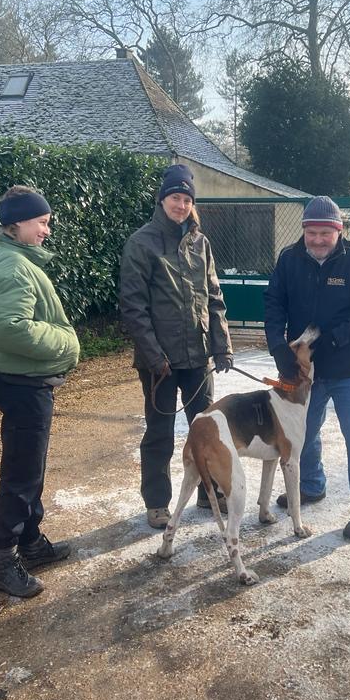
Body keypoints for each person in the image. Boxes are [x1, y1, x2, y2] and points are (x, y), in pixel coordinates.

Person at [0, 185, 80, 598]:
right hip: (23, 384)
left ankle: (31, 544)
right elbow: (9, 327)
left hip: (26, 381)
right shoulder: (14, 267)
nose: (46, 231)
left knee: (30, 469)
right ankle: (3, 564)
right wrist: (66, 342)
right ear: (17, 223)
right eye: (42, 223)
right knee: (20, 475)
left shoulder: (13, 259)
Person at [263, 195, 350, 540]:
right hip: (304, 371)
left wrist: (335, 339)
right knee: (304, 433)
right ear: (304, 230)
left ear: (339, 230)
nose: (318, 240)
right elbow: (274, 302)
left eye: (325, 233)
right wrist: (278, 346)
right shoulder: (289, 259)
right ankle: (311, 486)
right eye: (311, 233)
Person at [119, 164, 233, 529]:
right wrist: (155, 357)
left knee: (206, 430)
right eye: (175, 197)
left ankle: (209, 491)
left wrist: (222, 346)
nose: (181, 205)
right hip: (160, 363)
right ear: (162, 199)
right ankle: (157, 502)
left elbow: (214, 297)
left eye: (186, 199)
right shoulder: (142, 243)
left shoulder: (201, 243)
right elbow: (133, 307)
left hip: (198, 357)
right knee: (159, 433)